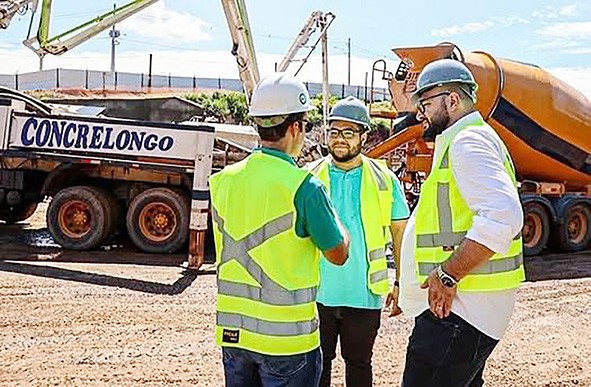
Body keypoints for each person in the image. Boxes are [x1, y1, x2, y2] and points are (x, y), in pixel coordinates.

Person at [209, 72, 350, 387]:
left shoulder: (223, 180)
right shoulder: (305, 186)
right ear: (296, 127)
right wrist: (337, 220)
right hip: (287, 344)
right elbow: (338, 253)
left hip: (234, 336)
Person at [395, 59, 525, 387]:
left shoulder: (468, 142)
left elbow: (504, 215)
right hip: (465, 311)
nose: (419, 112)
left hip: (461, 312)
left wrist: (447, 275)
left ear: (452, 101)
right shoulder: (469, 138)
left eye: (424, 103)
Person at [307, 96, 409, 387]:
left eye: (349, 133)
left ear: (364, 135)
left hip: (363, 295)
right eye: (335, 132)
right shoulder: (309, 175)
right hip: (317, 292)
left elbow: (400, 234)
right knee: (317, 366)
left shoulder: (385, 179)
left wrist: (401, 283)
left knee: (360, 365)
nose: (340, 140)